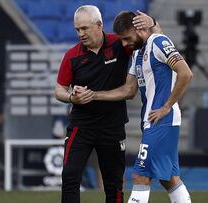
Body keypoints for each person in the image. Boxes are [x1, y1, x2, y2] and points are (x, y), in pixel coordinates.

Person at [75, 11, 193, 203]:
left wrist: (167, 106)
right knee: (169, 179)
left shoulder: (158, 43)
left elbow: (186, 73)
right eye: (121, 39)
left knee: (140, 175)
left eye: (127, 38)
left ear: (139, 29)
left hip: (161, 120)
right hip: (152, 120)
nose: (123, 43)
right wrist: (94, 95)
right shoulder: (138, 53)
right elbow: (129, 90)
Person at [54, 5, 159, 203]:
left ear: (99, 25)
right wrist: (71, 98)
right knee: (69, 176)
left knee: (113, 184)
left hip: (112, 125)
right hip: (81, 126)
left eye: (84, 28)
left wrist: (152, 23)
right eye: (77, 29)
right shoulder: (72, 55)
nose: (80, 34)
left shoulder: (120, 44)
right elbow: (59, 89)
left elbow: (152, 41)